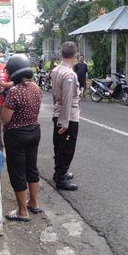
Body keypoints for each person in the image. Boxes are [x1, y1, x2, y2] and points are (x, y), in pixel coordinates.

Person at [1, 54, 42, 222]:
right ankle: (34, 202)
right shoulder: (36, 88)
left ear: (12, 72)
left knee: (18, 173)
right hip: (34, 132)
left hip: (16, 136)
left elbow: (5, 119)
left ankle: (22, 211)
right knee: (31, 169)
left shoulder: (14, 92)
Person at [50, 42, 80, 191]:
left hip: (58, 113)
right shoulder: (69, 74)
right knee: (67, 148)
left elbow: (55, 95)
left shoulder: (55, 70)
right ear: (75, 56)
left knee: (59, 146)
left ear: (61, 54)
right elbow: (67, 98)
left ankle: (59, 173)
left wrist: (58, 117)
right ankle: (61, 178)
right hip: (68, 117)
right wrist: (64, 122)